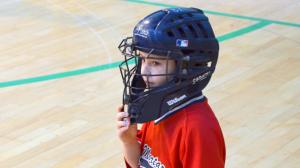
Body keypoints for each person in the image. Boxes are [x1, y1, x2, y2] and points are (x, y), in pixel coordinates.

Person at [116, 7, 226, 168]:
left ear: (186, 67)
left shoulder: (197, 130)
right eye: (142, 59)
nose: (144, 71)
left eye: (155, 62)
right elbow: (141, 164)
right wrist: (129, 141)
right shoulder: (159, 106)